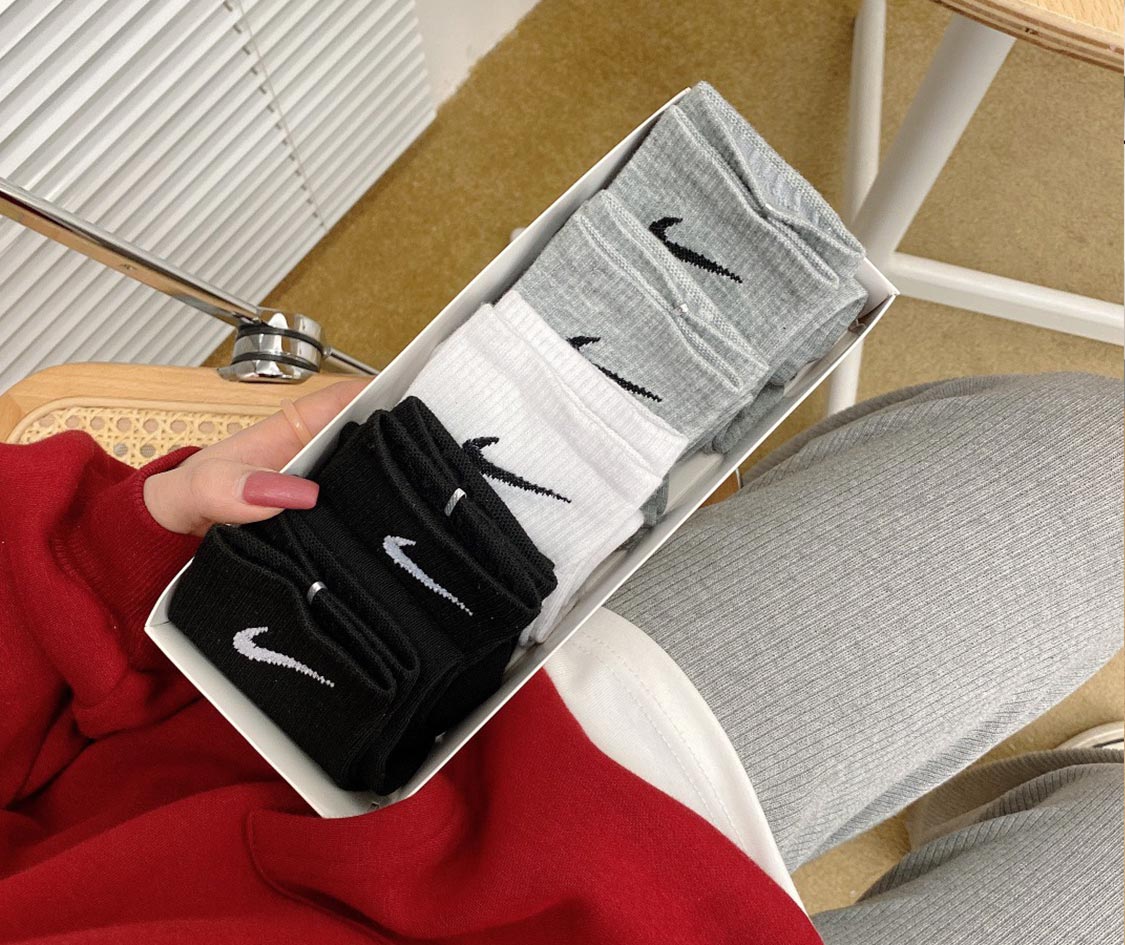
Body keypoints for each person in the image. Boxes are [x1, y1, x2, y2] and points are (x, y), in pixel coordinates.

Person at [0, 370, 1120, 943]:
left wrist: (105, 557)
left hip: (378, 779)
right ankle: (1064, 789)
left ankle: (1019, 794)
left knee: (1092, 460)